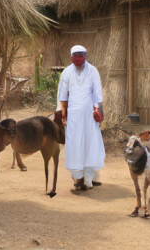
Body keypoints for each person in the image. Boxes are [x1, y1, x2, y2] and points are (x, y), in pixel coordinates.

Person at [57, 45, 105, 191]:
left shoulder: (93, 71)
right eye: (75, 56)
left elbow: (97, 95)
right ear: (71, 57)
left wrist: (97, 110)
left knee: (90, 144)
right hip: (73, 117)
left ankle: (89, 179)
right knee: (74, 144)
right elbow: (62, 96)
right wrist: (61, 111)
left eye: (81, 56)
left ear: (86, 56)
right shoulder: (66, 72)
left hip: (89, 115)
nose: (78, 59)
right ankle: (77, 178)